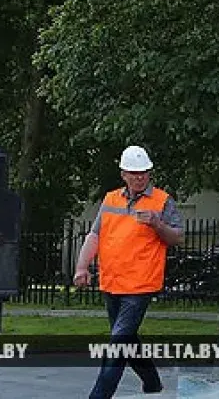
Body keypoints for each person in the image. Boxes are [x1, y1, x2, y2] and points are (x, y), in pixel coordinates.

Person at [74, 145, 184, 399]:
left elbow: (178, 237)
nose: (140, 177)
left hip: (140, 285)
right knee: (126, 340)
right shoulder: (111, 199)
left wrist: (157, 223)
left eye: (144, 172)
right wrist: (82, 267)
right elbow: (95, 235)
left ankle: (98, 396)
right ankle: (153, 383)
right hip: (112, 281)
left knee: (117, 344)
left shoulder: (162, 201)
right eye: (134, 173)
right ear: (123, 173)